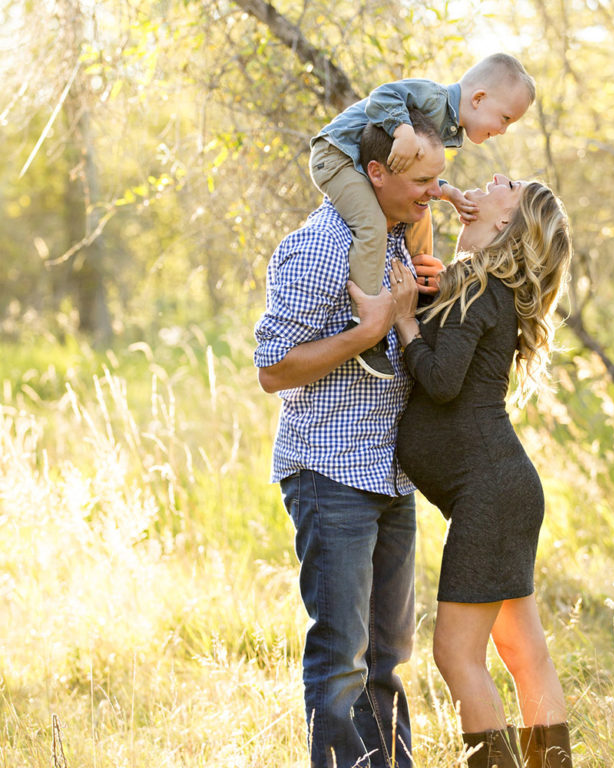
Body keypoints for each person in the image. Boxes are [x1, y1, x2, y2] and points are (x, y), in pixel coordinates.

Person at [253, 110, 446, 768]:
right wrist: (367, 332)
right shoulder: (322, 246)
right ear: (374, 173)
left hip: (391, 479)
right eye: (419, 178)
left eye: (437, 178)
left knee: (389, 662)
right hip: (330, 476)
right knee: (340, 665)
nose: (432, 191)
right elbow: (273, 369)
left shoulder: (397, 240)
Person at [389, 174, 574, 768]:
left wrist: (404, 322)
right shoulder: (475, 283)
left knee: (455, 655)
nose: (495, 178)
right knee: (525, 655)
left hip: (492, 495)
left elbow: (441, 382)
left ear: (505, 225)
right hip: (503, 491)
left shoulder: (480, 284)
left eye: (509, 186)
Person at [311, 53, 536, 379]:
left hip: (363, 162)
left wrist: (450, 193)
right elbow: (384, 95)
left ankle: (420, 282)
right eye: (504, 118)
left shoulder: (447, 125)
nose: (503, 130)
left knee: (420, 215)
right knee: (371, 226)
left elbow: (416, 174)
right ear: (478, 98)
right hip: (337, 155)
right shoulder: (434, 98)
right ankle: (364, 322)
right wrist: (402, 130)